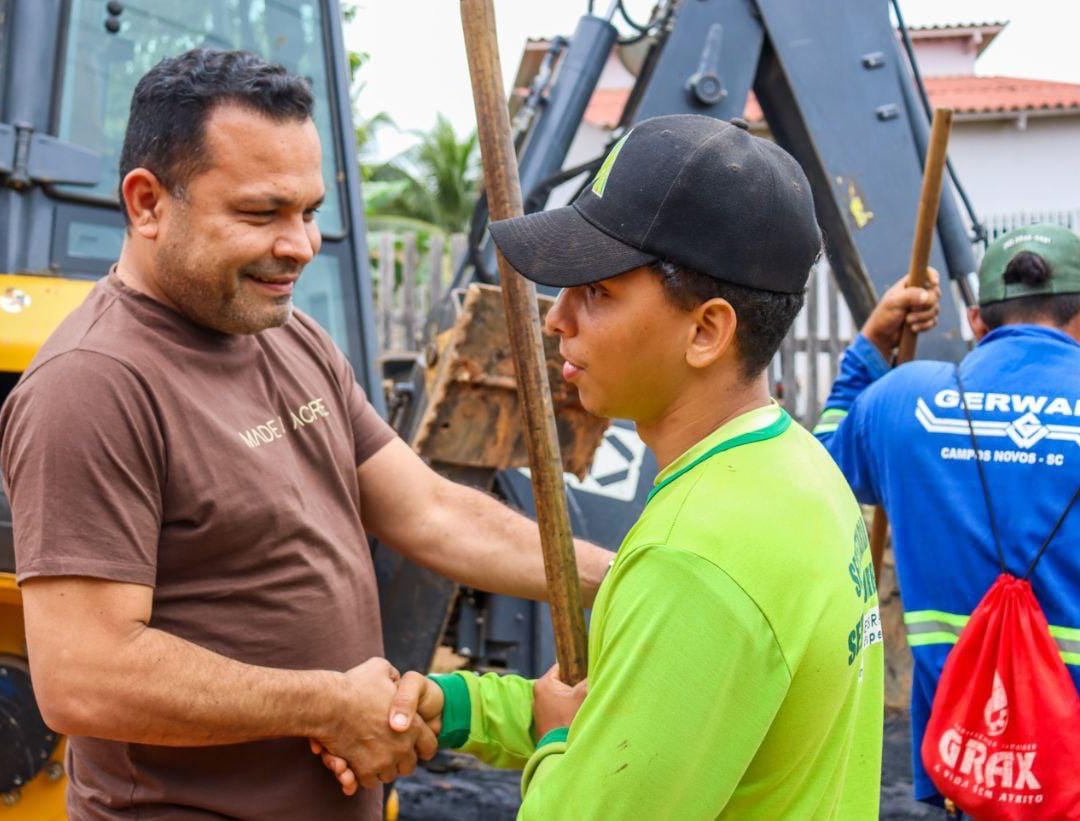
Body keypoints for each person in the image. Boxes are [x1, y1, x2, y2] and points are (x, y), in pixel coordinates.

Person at [0, 48, 613, 820]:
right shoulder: (93, 385)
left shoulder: (288, 337)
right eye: (262, 213)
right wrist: (324, 703)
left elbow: (429, 509)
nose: (301, 245)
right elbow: (84, 672)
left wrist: (616, 574)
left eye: (310, 211)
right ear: (148, 203)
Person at [324, 115, 885, 817]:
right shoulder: (797, 470)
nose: (557, 319)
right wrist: (462, 705)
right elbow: (622, 717)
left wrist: (558, 736)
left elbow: (584, 742)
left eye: (598, 292)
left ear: (706, 330)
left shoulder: (696, 559)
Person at [814, 222, 1080, 809]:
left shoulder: (902, 400)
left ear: (977, 323)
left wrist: (870, 346)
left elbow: (819, 467)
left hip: (967, 773)